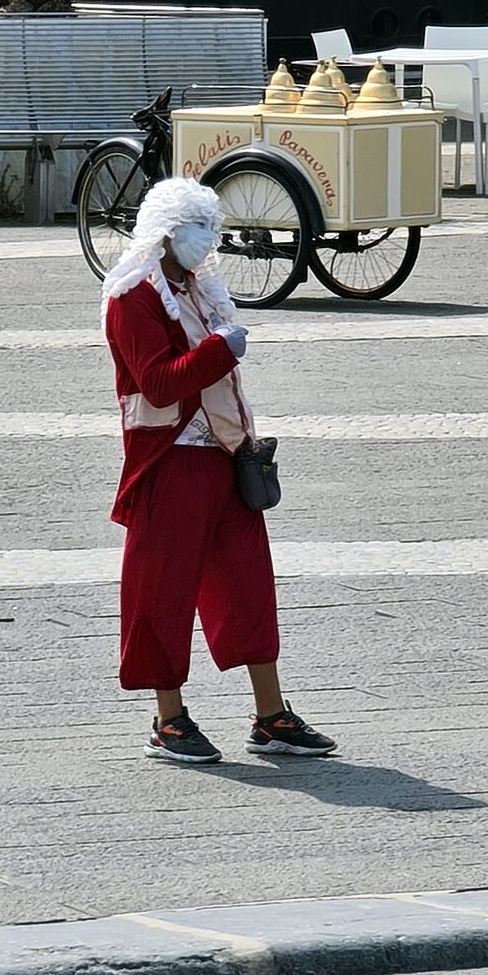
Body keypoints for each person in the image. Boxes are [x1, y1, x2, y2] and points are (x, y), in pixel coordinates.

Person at [102, 177, 336, 764]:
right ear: (165, 233)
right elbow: (157, 380)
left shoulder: (199, 287)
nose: (210, 241)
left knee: (248, 585)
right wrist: (221, 350)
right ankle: (168, 718)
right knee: (161, 592)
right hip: (168, 459)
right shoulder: (131, 298)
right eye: (198, 229)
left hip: (226, 456)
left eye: (212, 228)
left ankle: (271, 716)